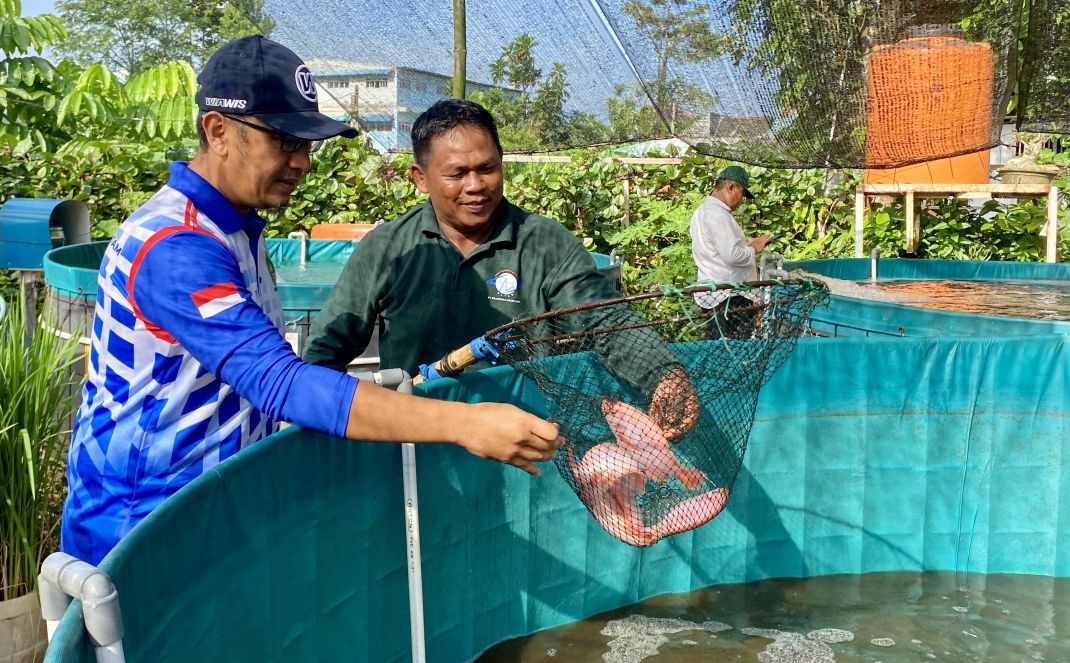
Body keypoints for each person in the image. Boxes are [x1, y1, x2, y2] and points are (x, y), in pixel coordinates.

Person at [60, 38, 560, 566]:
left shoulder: (236, 229)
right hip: (137, 527)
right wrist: (466, 424)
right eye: (284, 140)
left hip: (207, 509)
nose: (301, 162)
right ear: (217, 131)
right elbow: (280, 382)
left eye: (308, 144)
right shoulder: (176, 246)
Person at [302, 99, 698, 441]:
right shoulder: (387, 249)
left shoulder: (543, 243)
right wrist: (313, 422)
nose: (475, 185)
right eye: (457, 174)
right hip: (417, 446)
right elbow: (326, 353)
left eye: (487, 168)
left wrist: (661, 374)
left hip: (523, 443)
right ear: (420, 178)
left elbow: (604, 317)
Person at [689, 165, 772, 339]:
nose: (742, 200)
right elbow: (732, 256)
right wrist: (753, 248)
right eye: (742, 194)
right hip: (729, 298)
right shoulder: (718, 215)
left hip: (714, 295)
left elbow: (720, 252)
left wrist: (747, 245)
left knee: (716, 346)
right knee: (734, 350)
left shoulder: (702, 212)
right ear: (732, 187)